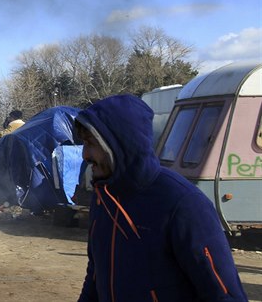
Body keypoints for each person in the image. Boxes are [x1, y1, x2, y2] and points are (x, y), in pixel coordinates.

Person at [75, 94, 247, 302]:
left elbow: (223, 293)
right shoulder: (104, 197)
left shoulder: (182, 203)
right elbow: (96, 273)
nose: (85, 154)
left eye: (92, 143)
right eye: (84, 143)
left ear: (120, 143)